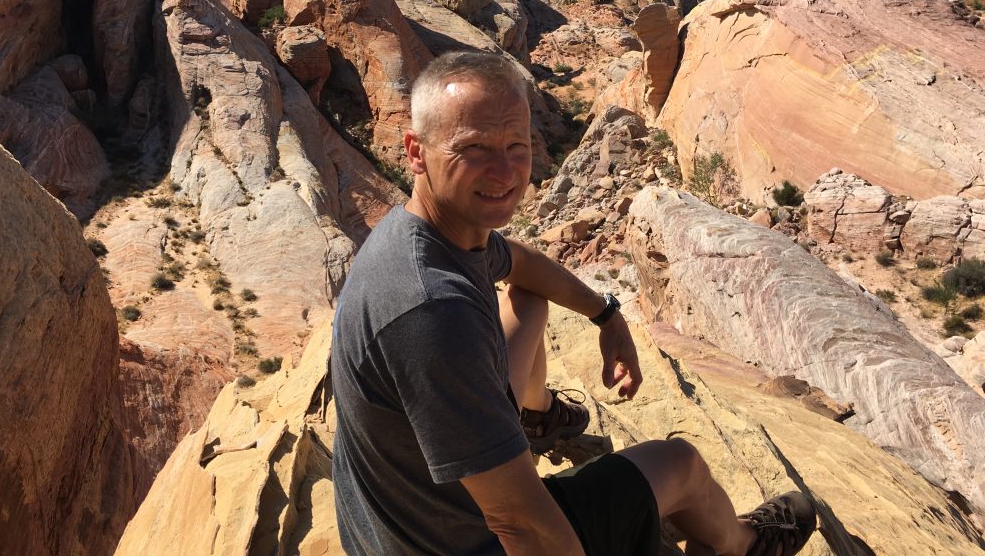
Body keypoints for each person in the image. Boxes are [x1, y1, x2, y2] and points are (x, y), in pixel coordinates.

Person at [331, 51, 817, 556]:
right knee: (681, 465)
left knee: (530, 304)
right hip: (465, 541)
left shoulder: (430, 231)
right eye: (473, 148)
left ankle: (536, 418)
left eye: (516, 145)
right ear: (416, 151)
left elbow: (519, 264)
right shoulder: (432, 310)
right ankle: (745, 546)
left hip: (391, 526)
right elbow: (523, 526)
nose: (503, 172)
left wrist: (605, 314)